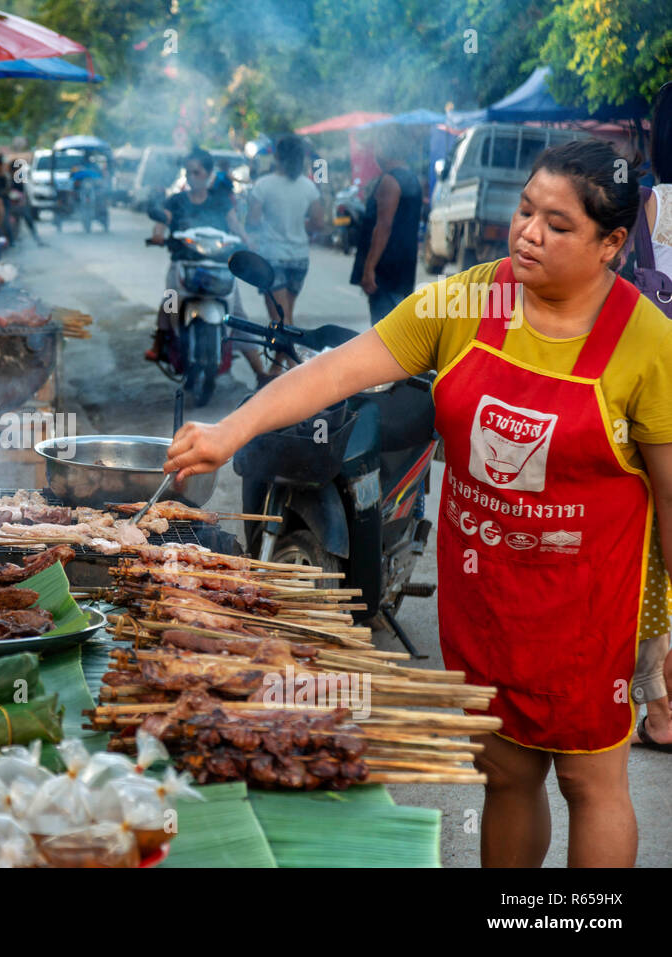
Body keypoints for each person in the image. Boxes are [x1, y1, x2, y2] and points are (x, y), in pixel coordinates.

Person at [164, 139, 672, 867]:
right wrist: (232, 427)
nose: (529, 232)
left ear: (611, 244)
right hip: (487, 591)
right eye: (526, 210)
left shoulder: (650, 344)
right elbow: (341, 368)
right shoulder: (468, 299)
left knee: (591, 778)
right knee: (504, 770)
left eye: (558, 226)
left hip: (590, 604)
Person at [631, 80, 672, 752]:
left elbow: (630, 298)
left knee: (656, 547)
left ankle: (660, 706)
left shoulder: (656, 206)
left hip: (658, 389)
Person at [145, 146, 253, 369]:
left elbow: (234, 223)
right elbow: (163, 220)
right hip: (183, 263)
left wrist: (247, 241)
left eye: (197, 172)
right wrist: (157, 235)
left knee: (239, 313)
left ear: (209, 173)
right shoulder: (176, 200)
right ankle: (158, 343)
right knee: (170, 301)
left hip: (218, 265)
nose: (192, 178)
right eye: (188, 172)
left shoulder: (221, 200)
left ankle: (260, 371)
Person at [247, 135, 323, 333]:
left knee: (281, 320)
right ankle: (279, 365)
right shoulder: (309, 187)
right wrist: (298, 224)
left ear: (277, 156)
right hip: (299, 259)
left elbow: (253, 221)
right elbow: (318, 223)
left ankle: (294, 363)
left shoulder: (263, 185)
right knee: (285, 316)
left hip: (273, 258)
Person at [352, 128, 423, 325]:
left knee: (383, 328)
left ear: (384, 149)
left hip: (386, 268)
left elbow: (383, 226)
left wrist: (369, 269)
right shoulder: (411, 179)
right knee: (396, 325)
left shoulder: (390, 181)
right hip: (404, 265)